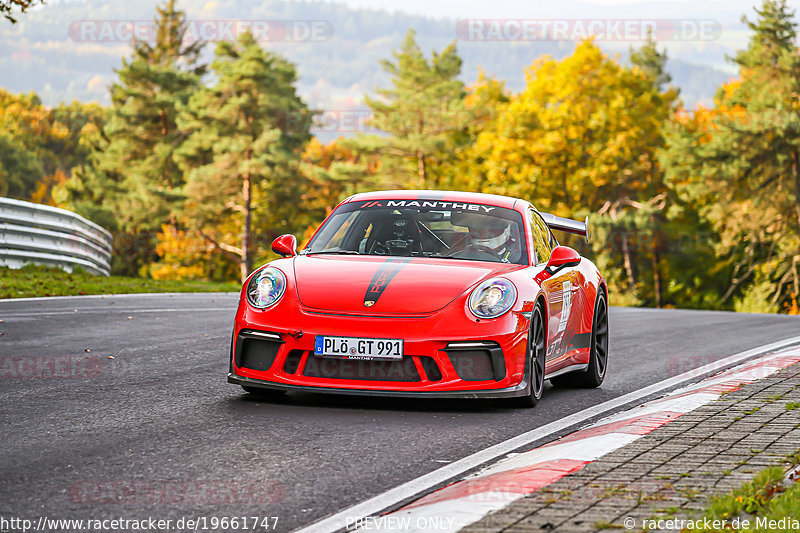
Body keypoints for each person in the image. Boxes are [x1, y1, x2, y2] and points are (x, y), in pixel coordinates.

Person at [451, 212, 521, 263]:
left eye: (492, 229)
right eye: (476, 228)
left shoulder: (518, 256)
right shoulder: (457, 249)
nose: (483, 233)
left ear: (507, 230)